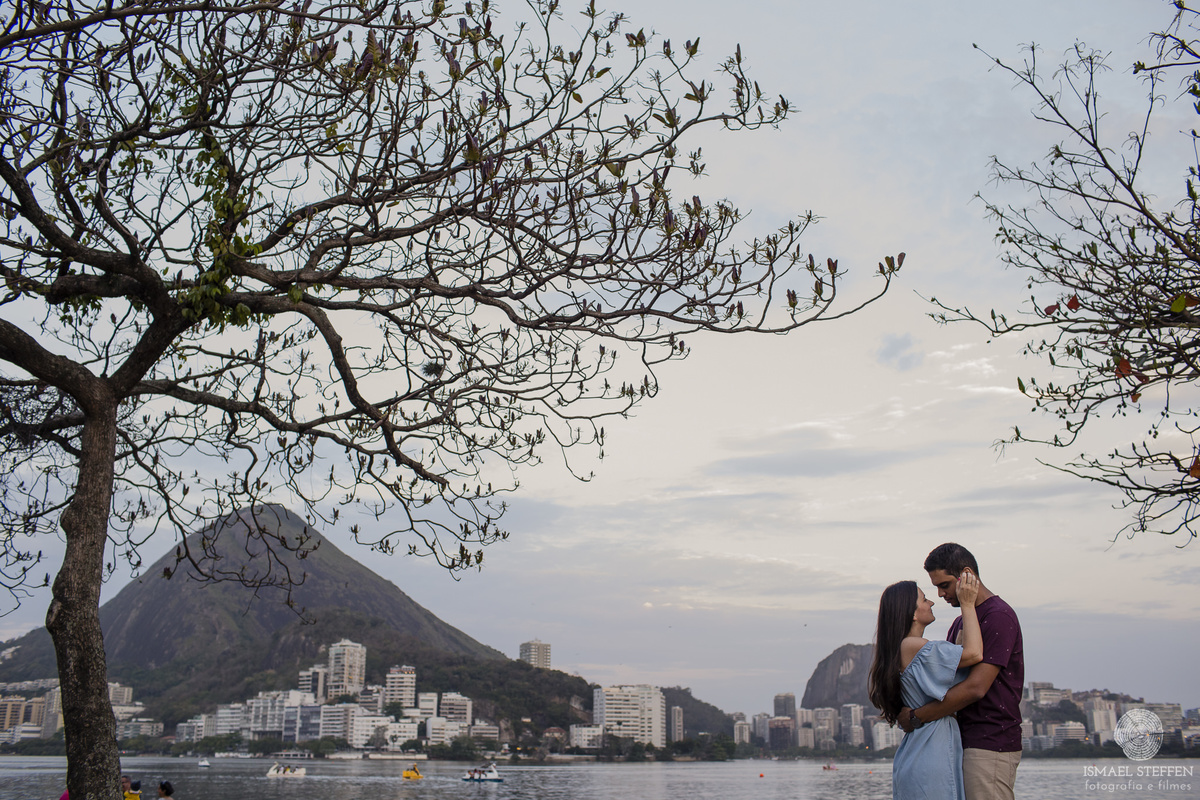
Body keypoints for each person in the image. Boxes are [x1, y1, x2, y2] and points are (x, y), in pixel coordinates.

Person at [899, 543, 1025, 800]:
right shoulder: (961, 621)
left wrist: (916, 716)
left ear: (966, 575)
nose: (940, 594)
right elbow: (946, 684)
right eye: (935, 587)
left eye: (944, 585)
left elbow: (976, 688)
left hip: (990, 742)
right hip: (960, 742)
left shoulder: (998, 616)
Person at [869, 570, 982, 800]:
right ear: (912, 613)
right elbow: (973, 654)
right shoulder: (913, 645)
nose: (931, 601)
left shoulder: (904, 648)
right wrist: (967, 604)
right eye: (923, 599)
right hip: (930, 756)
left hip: (920, 752)